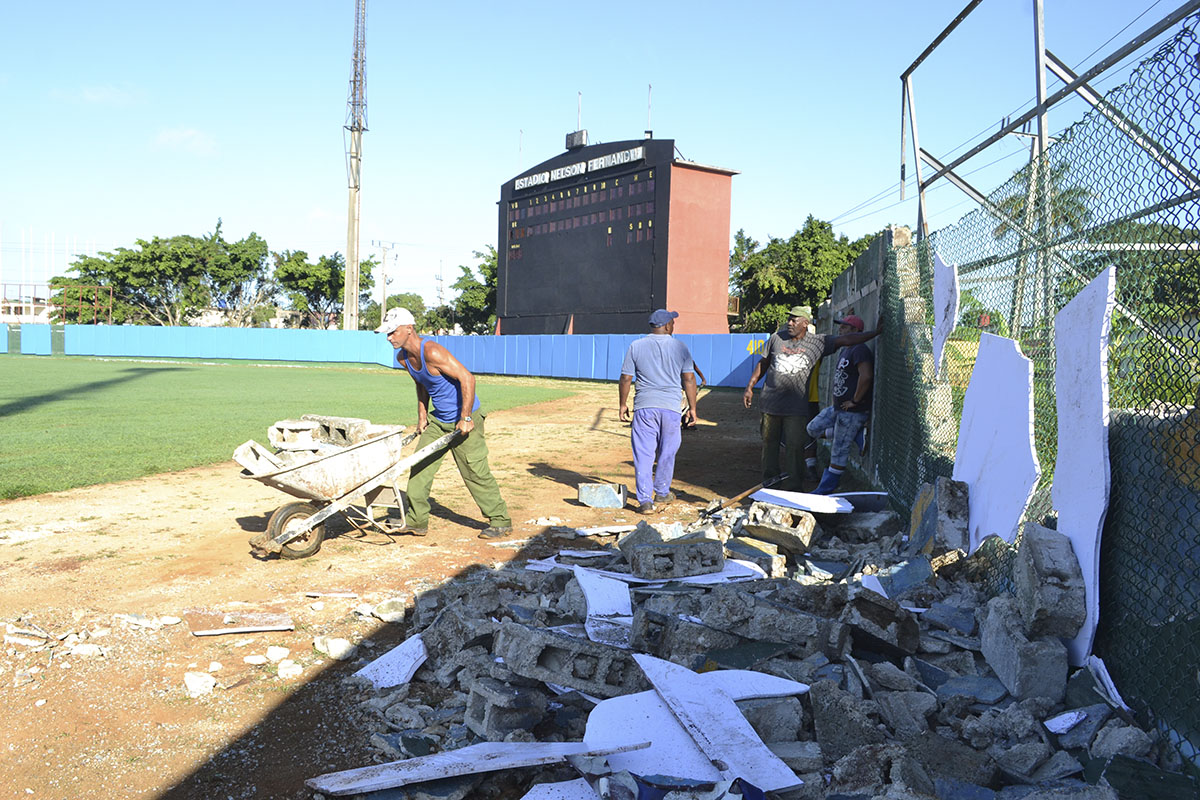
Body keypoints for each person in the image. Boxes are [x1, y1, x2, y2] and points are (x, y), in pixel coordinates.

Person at [375, 307, 513, 539]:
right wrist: (422, 416)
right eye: (387, 334)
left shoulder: (432, 351)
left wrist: (466, 417)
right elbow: (422, 384)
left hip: (466, 419)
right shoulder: (402, 358)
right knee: (419, 467)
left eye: (393, 332)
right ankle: (417, 521)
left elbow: (467, 377)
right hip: (438, 421)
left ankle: (501, 521)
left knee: (474, 471)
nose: (389, 338)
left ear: (409, 329)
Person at [743, 305, 880, 492]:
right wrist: (750, 386)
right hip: (770, 403)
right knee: (769, 445)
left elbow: (847, 338)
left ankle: (793, 488)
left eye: (794, 320)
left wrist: (875, 333)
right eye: (789, 319)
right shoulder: (776, 339)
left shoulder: (817, 343)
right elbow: (763, 363)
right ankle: (770, 484)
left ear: (805, 323)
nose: (789, 323)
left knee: (795, 446)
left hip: (796, 408)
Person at [618, 309, 698, 514]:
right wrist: (693, 408)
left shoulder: (636, 346)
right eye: (673, 321)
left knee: (644, 453)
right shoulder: (680, 347)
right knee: (668, 451)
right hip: (671, 408)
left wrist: (623, 404)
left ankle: (645, 500)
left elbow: (626, 378)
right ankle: (661, 491)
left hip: (645, 406)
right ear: (667, 326)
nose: (674, 325)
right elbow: (689, 379)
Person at [806, 314, 875, 494]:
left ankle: (825, 489)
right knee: (812, 428)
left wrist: (856, 400)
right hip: (838, 408)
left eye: (844, 327)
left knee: (838, 451)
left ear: (855, 331)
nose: (840, 329)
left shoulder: (859, 349)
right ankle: (856, 435)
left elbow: (866, 376)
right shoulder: (846, 349)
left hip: (852, 411)